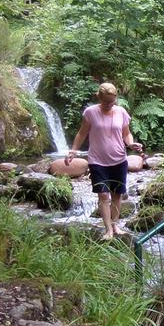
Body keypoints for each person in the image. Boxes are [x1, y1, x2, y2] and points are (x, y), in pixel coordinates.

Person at [65, 83, 143, 240]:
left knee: (117, 194)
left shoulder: (121, 112)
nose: (109, 105)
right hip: (97, 160)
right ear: (99, 98)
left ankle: (115, 225)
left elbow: (126, 134)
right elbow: (81, 134)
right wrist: (73, 151)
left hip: (119, 159)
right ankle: (108, 229)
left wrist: (131, 144)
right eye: (106, 101)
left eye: (112, 101)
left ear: (115, 98)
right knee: (102, 195)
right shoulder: (90, 113)